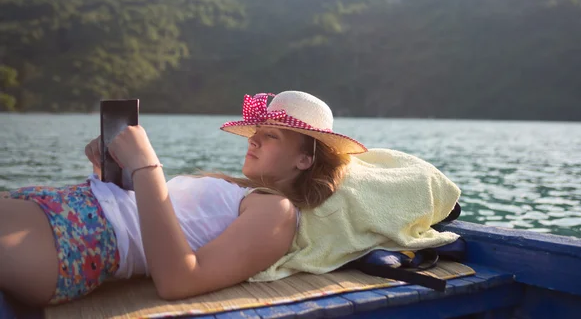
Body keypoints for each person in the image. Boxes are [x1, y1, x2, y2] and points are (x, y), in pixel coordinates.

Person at [0, 91, 367, 307]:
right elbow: (145, 217)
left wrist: (146, 168)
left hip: (80, 237)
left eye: (270, 136)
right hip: (70, 213)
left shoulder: (278, 212)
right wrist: (111, 172)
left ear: (305, 159)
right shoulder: (238, 191)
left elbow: (178, 280)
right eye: (257, 132)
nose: (253, 140)